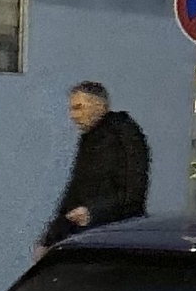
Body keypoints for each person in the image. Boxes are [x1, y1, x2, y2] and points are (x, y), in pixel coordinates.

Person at [43, 81, 149, 248]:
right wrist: (49, 240)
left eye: (79, 108)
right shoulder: (89, 140)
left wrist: (94, 213)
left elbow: (133, 192)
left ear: (99, 105)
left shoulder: (124, 134)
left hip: (117, 236)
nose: (73, 116)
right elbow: (75, 192)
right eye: (72, 109)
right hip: (88, 234)